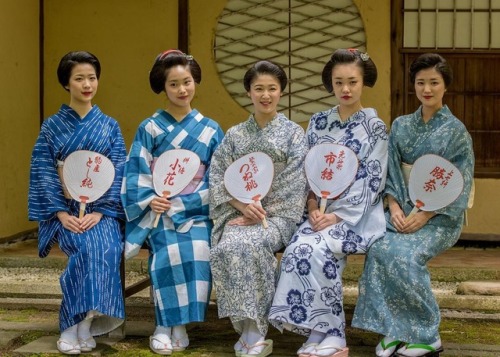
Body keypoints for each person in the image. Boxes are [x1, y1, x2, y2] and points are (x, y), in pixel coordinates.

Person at [351, 53, 475, 357]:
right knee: (379, 248)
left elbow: (461, 180)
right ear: (414, 86)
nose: (427, 89)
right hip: (401, 209)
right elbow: (391, 171)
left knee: (406, 255)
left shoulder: (456, 131)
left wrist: (427, 212)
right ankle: (394, 329)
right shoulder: (402, 125)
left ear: (446, 86)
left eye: (434, 82)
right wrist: (393, 206)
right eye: (421, 82)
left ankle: (426, 334)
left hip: (440, 216)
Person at [268, 48, 389, 357]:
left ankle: (333, 332)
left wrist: (336, 217)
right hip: (318, 211)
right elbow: (308, 171)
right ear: (331, 85)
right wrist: (311, 207)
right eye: (338, 83)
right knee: (296, 250)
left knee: (318, 249)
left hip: (355, 217)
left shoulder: (374, 128)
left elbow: (372, 180)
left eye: (352, 82)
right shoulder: (320, 121)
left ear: (364, 83)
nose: (345, 89)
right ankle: (316, 330)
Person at [121, 49, 224, 355]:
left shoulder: (210, 129)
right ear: (163, 87)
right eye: (174, 84)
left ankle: (180, 324)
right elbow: (136, 170)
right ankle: (164, 324)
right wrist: (151, 199)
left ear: (195, 83)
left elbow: (216, 179)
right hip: (159, 210)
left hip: (196, 210)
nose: (182, 90)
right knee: (168, 251)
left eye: (187, 82)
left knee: (198, 249)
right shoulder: (150, 128)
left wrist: (188, 204)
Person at [28, 51, 126, 355]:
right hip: (66, 211)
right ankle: (70, 324)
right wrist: (59, 213)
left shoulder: (109, 125)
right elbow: (43, 171)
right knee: (84, 248)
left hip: (102, 211)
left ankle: (86, 323)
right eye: (79, 78)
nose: (87, 84)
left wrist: (101, 211)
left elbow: (119, 168)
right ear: (66, 83)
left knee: (107, 247)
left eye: (92, 78)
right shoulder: (52, 127)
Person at [209, 60, 308, 357]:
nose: (266, 95)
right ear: (249, 93)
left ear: (281, 92)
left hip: (274, 217)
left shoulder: (293, 134)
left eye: (272, 89)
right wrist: (240, 205)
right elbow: (217, 175)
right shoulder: (235, 135)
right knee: (228, 247)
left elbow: (295, 183)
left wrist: (259, 211)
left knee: (251, 245)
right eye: (259, 89)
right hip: (236, 213)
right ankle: (244, 326)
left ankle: (256, 330)